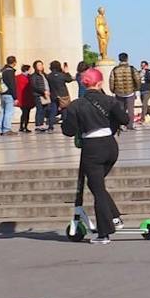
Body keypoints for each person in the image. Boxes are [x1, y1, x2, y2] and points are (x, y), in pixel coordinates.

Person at [61, 66, 130, 242]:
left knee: (97, 189)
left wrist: (67, 114)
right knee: (96, 185)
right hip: (110, 146)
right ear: (100, 83)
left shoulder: (76, 105)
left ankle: (104, 233)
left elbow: (68, 131)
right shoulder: (109, 101)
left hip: (92, 148)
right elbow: (125, 119)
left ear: (84, 84)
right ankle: (115, 218)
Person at [106, 52, 140, 128]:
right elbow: (137, 79)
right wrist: (137, 88)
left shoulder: (115, 70)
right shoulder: (131, 68)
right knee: (131, 110)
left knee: (120, 110)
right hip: (130, 91)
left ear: (119, 59)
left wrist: (113, 90)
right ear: (127, 59)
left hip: (119, 92)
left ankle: (120, 125)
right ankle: (130, 125)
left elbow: (111, 80)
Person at [0, 55, 18, 135]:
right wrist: (15, 97)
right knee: (9, 112)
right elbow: (12, 85)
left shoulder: (2, 70)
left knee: (2, 111)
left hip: (2, 93)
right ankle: (7, 129)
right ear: (14, 62)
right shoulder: (10, 71)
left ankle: (0, 129)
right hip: (8, 94)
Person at [47, 60, 72, 130]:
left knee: (53, 110)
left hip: (54, 95)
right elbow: (69, 79)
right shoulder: (62, 75)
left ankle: (50, 126)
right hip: (63, 95)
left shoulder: (49, 76)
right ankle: (65, 125)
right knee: (64, 109)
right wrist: (66, 72)